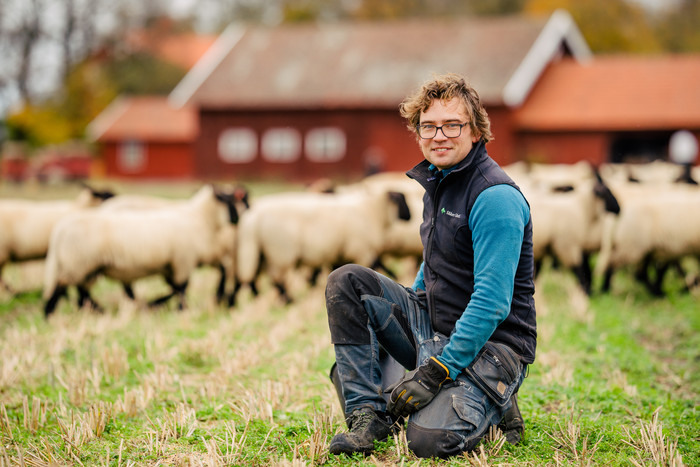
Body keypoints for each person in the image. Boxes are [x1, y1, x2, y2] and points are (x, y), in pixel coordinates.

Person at [325, 72, 537, 458]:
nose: (439, 135)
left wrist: (437, 370)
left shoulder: (495, 198)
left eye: (452, 125)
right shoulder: (438, 182)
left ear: (476, 132)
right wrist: (414, 303)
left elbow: (492, 302)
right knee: (347, 282)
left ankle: (496, 399)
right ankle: (368, 418)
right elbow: (435, 262)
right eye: (429, 126)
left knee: (427, 441)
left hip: (494, 345)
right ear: (418, 134)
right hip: (436, 326)